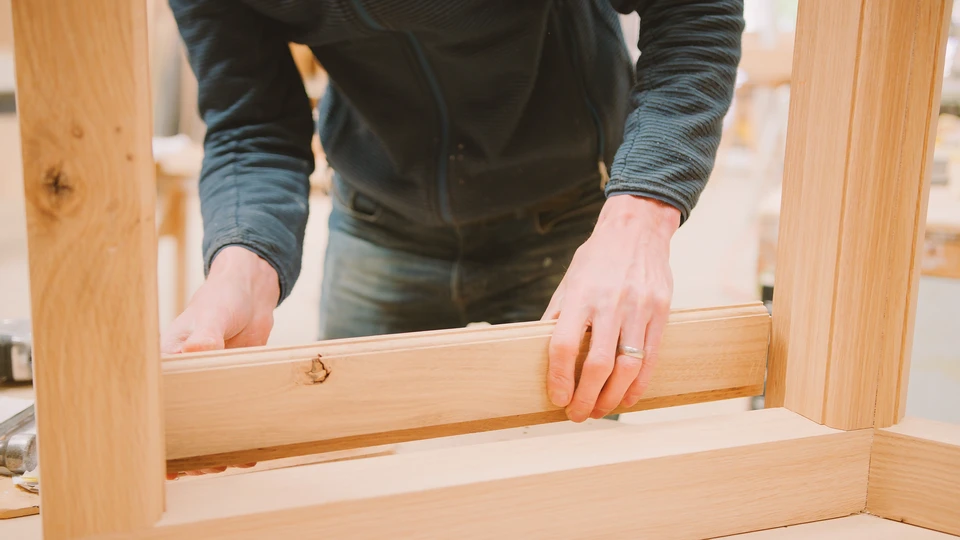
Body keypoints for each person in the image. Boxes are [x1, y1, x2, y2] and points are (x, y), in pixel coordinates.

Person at [162, 1, 744, 425]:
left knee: (575, 464)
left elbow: (694, 13)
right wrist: (241, 267)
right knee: (352, 460)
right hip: (379, 214)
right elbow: (252, 123)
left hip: (565, 218)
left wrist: (640, 215)